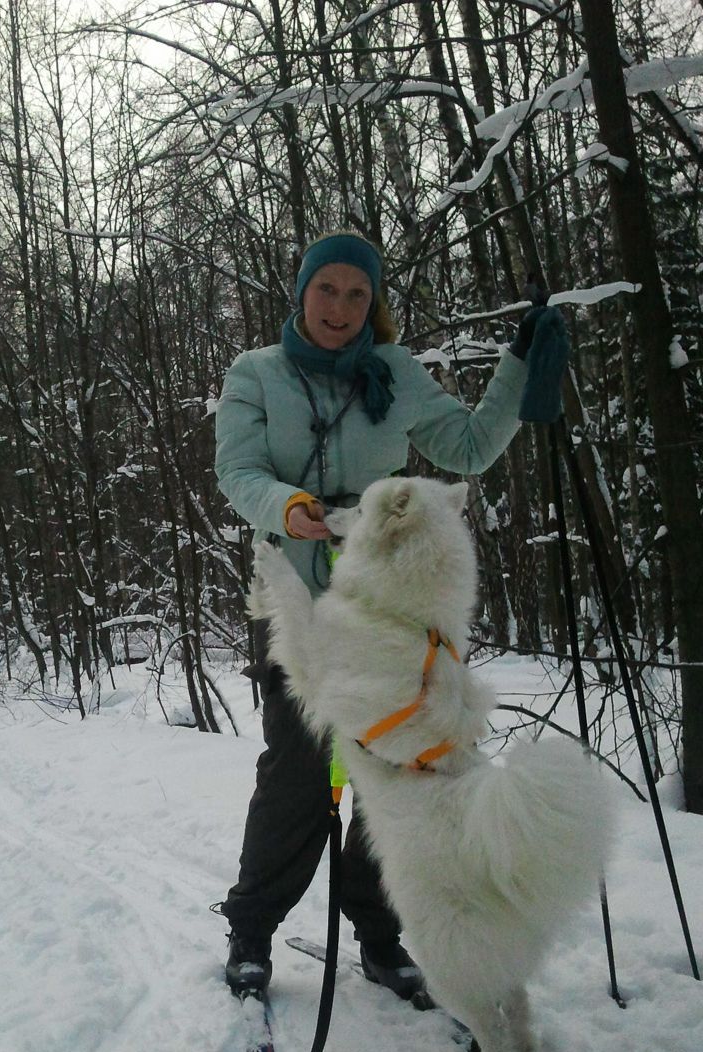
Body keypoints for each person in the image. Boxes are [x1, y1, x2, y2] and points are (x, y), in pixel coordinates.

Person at [215, 230, 555, 996]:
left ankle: (379, 933)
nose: (340, 308)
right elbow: (236, 469)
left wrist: (521, 364)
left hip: (389, 610)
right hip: (299, 600)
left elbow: (467, 448)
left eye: (357, 295)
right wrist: (287, 506)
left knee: (399, 769)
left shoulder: (394, 374)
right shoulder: (257, 374)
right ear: (302, 293)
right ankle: (252, 929)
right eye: (327, 290)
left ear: (375, 304)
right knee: (300, 773)